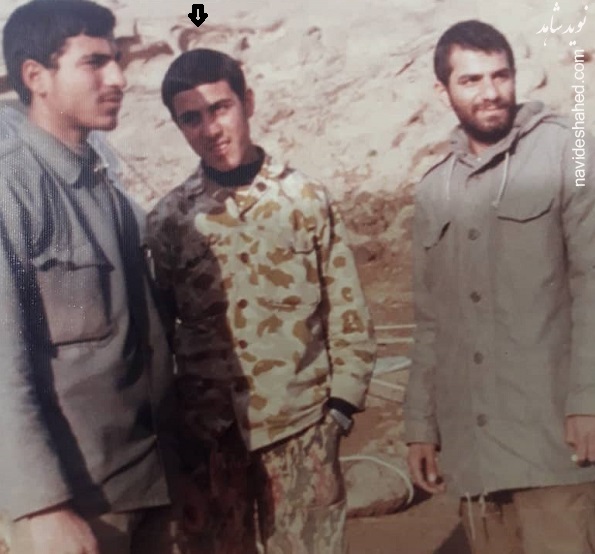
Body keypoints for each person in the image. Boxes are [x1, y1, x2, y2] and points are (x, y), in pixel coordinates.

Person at [147, 48, 376, 553]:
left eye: (220, 108)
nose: (210, 129)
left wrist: (340, 407)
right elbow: (157, 341)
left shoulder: (304, 200)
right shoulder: (169, 221)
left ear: (247, 103)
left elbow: (346, 309)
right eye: (191, 118)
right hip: (211, 440)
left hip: (301, 428)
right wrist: (173, 444)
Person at [404, 19, 595, 554]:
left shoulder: (568, 152)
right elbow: (430, 321)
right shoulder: (435, 188)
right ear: (442, 90)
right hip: (475, 455)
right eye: (470, 80)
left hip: (554, 446)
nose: (490, 92)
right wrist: (420, 425)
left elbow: (592, 281)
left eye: (500, 75)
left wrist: (588, 398)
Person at [0, 1, 177, 553]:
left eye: (117, 60)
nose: (118, 78)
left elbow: (144, 342)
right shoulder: (12, 189)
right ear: (36, 77)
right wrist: (42, 506)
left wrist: (176, 468)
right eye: (95, 62)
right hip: (73, 503)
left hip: (143, 480)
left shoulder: (103, 180)